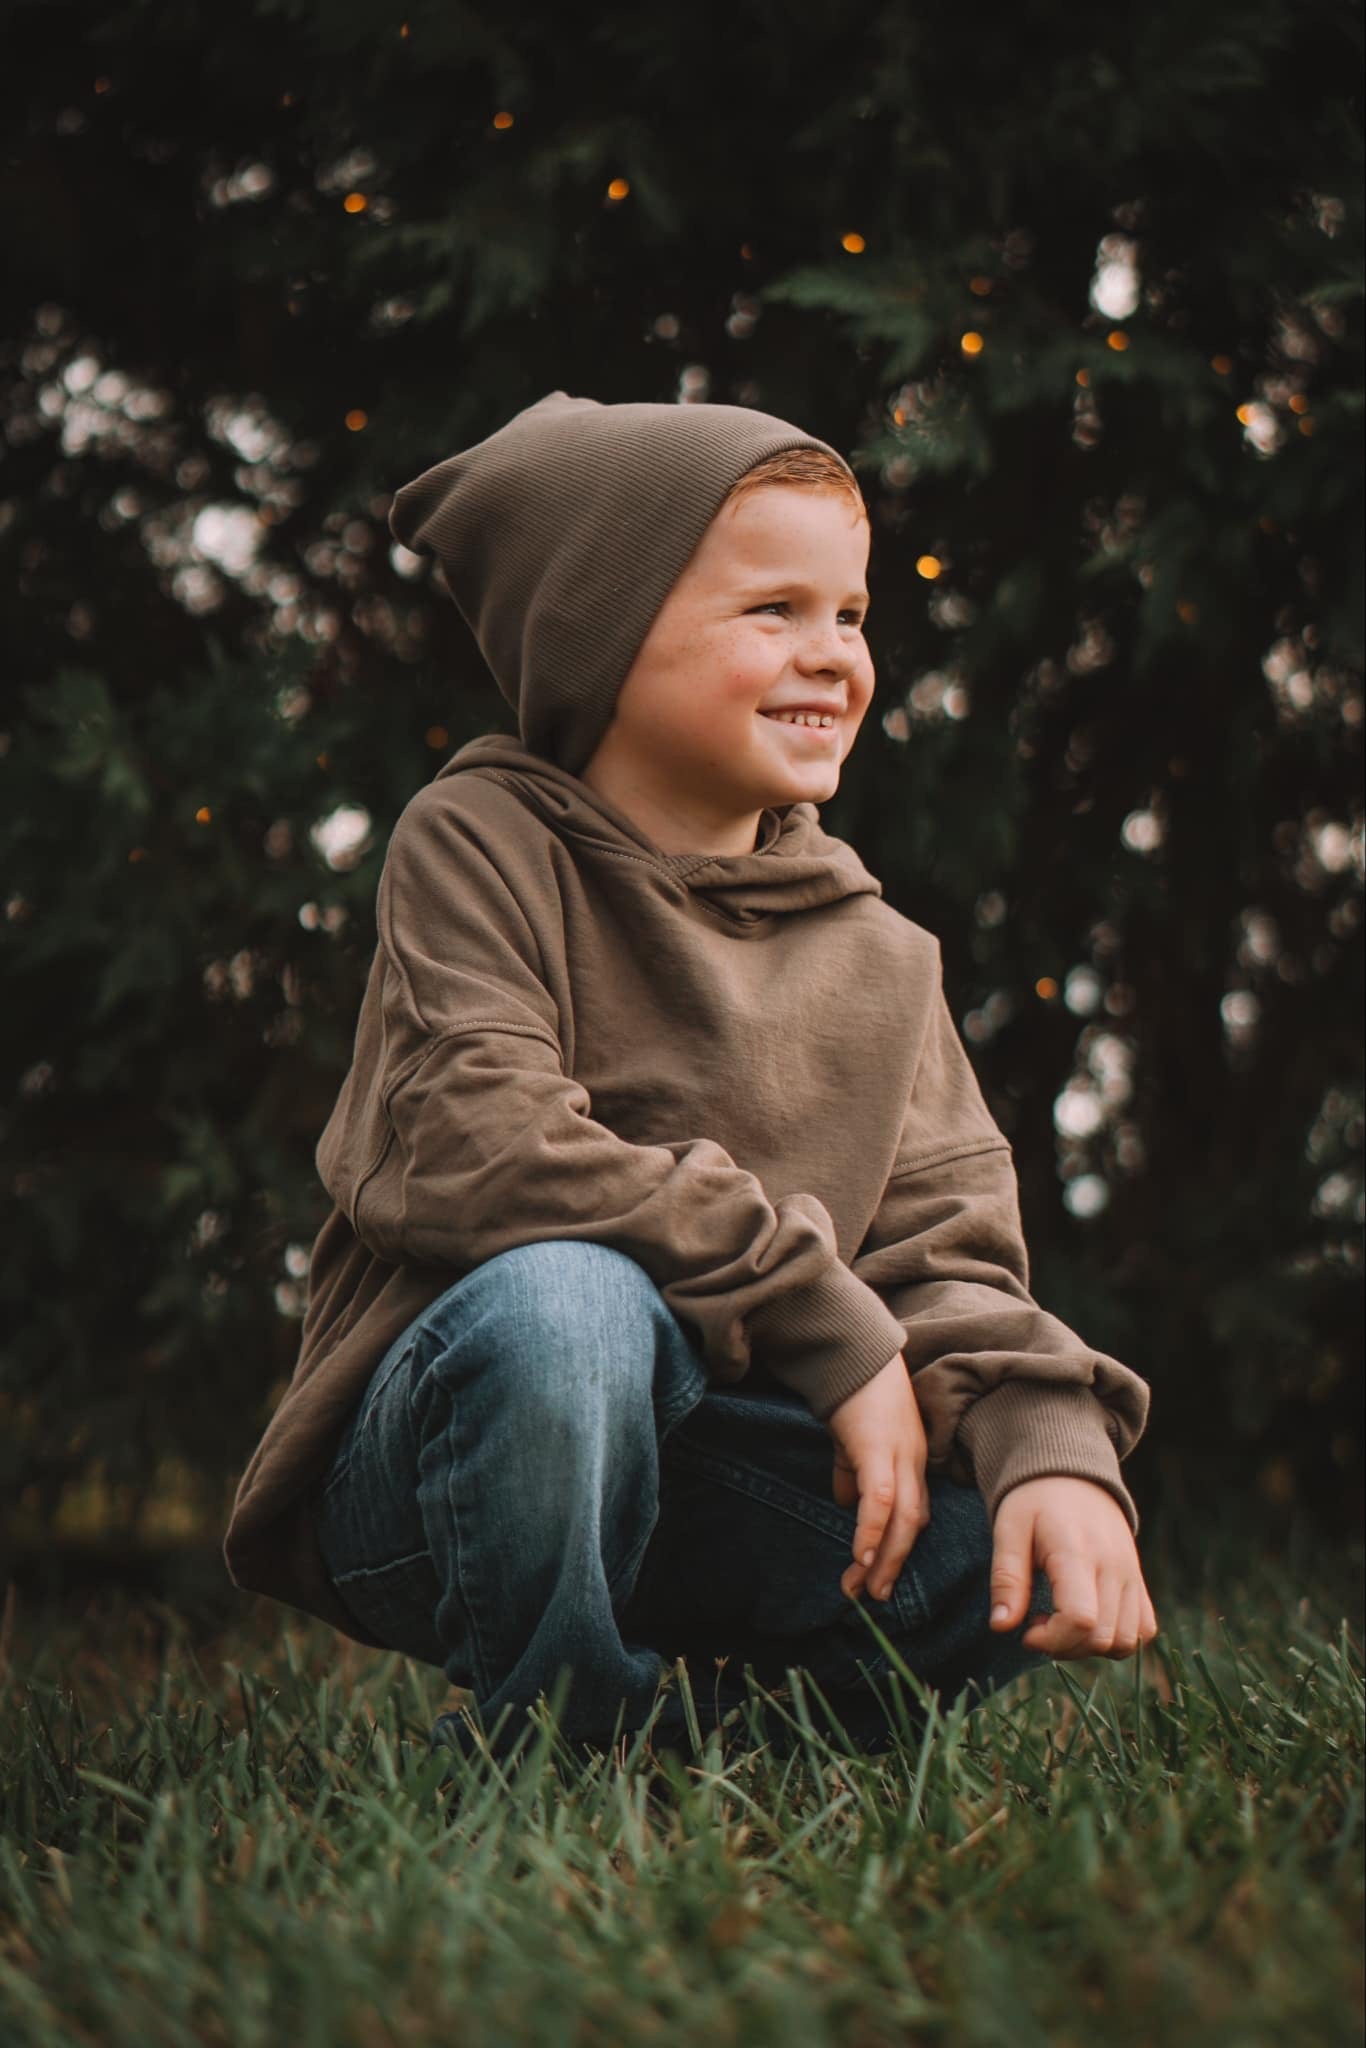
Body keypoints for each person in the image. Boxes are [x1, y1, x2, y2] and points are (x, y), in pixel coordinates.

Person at [222, 391, 1157, 1772]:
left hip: (710, 1480)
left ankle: (693, 1745)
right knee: (570, 1303)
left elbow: (949, 1260)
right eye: (771, 610)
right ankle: (554, 1732)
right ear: (597, 635)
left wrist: (1053, 1440)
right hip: (452, 1465)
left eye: (848, 614)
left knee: (985, 1547)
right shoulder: (481, 844)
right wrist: (811, 1307)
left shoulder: (879, 955)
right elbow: (480, 1145)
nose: (832, 655)